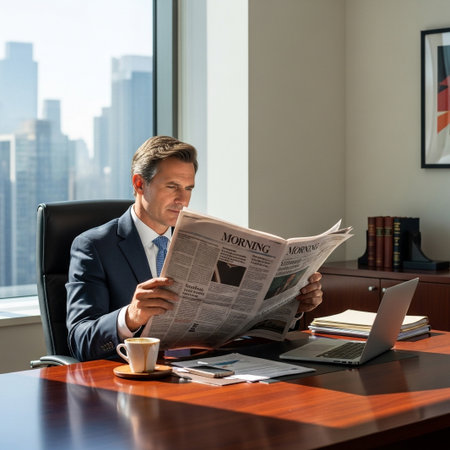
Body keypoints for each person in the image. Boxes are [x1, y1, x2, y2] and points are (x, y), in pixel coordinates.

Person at [66, 136, 323, 361]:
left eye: (188, 188)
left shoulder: (202, 239)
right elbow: (79, 341)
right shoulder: (94, 247)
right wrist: (130, 316)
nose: (183, 199)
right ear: (139, 184)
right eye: (172, 186)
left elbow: (235, 317)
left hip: (202, 369)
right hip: (132, 382)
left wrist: (292, 306)